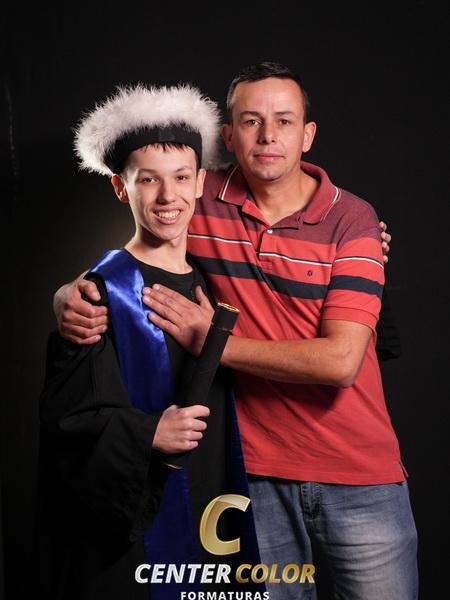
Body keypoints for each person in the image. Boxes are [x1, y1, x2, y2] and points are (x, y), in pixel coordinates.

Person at [53, 62, 416, 599]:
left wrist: (213, 342)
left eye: (284, 121)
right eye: (251, 121)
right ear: (227, 136)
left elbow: (342, 362)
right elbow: (148, 230)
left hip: (359, 474)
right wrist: (71, 290)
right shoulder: (201, 198)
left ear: (307, 134)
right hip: (254, 478)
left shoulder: (353, 220)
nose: (268, 136)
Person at [38, 83, 261, 600]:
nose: (168, 197)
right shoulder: (98, 295)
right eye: (148, 180)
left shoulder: (215, 278)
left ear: (201, 181)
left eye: (181, 177)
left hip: (216, 501)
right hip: (137, 527)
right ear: (121, 188)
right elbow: (68, 423)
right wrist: (147, 433)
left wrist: (368, 238)